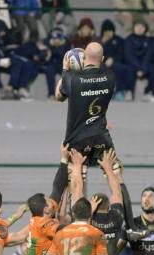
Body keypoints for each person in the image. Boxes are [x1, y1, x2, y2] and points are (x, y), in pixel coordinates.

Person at [55, 42, 116, 173]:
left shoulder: (72, 80)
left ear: (83, 58)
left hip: (76, 138)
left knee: (75, 177)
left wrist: (66, 71)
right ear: (103, 59)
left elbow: (59, 97)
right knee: (114, 173)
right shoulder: (110, 78)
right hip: (101, 136)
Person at [124, 20, 154, 102]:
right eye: (137, 26)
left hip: (144, 65)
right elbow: (129, 55)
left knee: (153, 69)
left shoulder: (148, 40)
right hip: (133, 64)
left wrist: (143, 69)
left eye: (142, 27)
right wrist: (138, 68)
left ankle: (148, 92)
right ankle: (129, 91)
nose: (139, 28)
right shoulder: (129, 39)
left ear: (145, 29)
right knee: (129, 69)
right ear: (133, 28)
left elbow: (148, 56)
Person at [100, 19, 128, 101]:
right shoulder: (99, 40)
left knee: (119, 68)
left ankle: (119, 91)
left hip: (117, 62)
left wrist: (113, 59)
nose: (108, 33)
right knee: (100, 68)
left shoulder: (119, 40)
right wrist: (102, 43)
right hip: (103, 62)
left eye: (110, 31)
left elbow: (122, 54)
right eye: (106, 31)